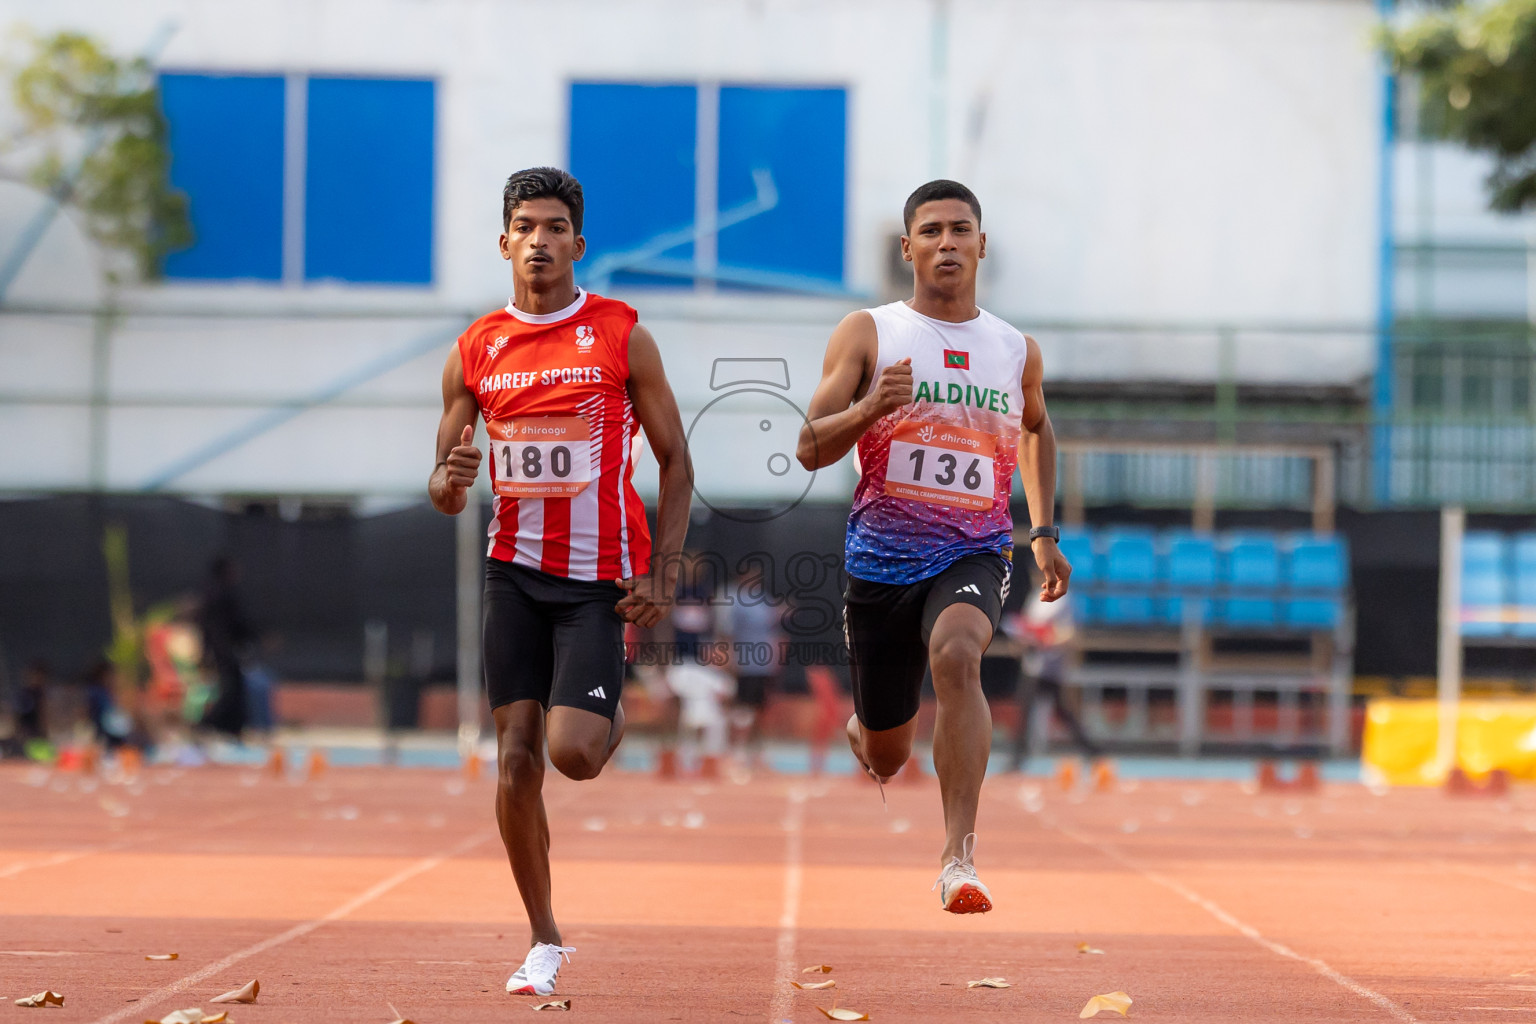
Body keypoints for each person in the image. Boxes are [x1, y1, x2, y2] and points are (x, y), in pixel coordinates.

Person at [428, 166, 691, 998]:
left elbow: (677, 460)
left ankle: (606, 711)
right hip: (512, 573)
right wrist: (450, 479)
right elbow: (443, 488)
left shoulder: (620, 334)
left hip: (596, 579)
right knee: (515, 760)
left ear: (579, 243)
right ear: (504, 242)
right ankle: (543, 938)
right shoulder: (475, 348)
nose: (539, 241)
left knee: (572, 755)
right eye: (525, 228)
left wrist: (663, 571)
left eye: (554, 228)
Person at [796, 179, 1071, 914]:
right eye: (931, 231)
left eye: (959, 230)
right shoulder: (869, 333)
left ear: (982, 244)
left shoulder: (1014, 349)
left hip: (974, 548)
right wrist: (871, 406)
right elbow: (809, 447)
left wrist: (1042, 531)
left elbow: (1037, 428)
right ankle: (868, 727)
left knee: (956, 654)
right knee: (887, 753)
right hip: (882, 560)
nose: (946, 243)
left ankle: (959, 858)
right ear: (907, 247)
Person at [1008, 564, 1100, 769]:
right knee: (1026, 710)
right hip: (1032, 665)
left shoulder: (1062, 599)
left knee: (1062, 713)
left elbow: (1070, 634)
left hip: (1051, 666)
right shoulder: (1035, 598)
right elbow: (1027, 626)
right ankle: (1017, 758)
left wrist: (1047, 639)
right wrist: (1021, 641)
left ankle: (1092, 752)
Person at [720, 564, 783, 767]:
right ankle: (737, 750)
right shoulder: (737, 602)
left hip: (764, 663)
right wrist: (730, 657)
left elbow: (773, 629)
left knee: (761, 708)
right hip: (746, 662)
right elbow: (728, 633)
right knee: (743, 708)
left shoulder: (764, 599)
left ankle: (757, 751)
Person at [197, 557, 254, 739]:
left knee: (233, 686)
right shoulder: (225, 594)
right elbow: (239, 623)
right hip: (226, 650)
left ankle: (231, 727)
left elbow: (204, 627)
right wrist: (252, 638)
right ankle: (209, 724)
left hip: (219, 649)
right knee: (231, 688)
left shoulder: (210, 594)